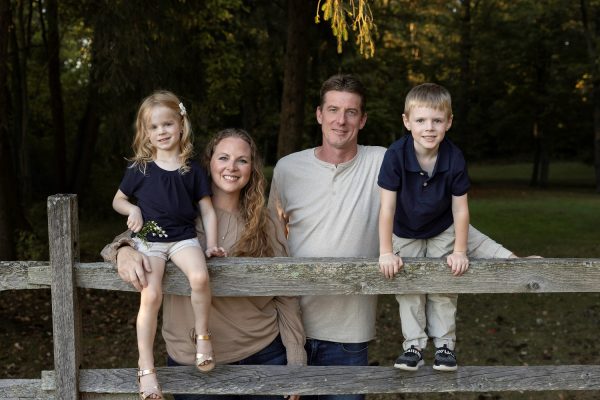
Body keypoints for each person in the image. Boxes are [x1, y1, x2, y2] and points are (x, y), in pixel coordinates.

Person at [268, 74, 515, 400]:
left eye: (351, 112)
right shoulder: (287, 168)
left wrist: (507, 257)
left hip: (349, 334)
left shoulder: (386, 161)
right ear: (319, 114)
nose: (341, 121)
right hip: (288, 328)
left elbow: (441, 221)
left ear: (363, 119)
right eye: (333, 110)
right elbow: (270, 239)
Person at [102, 128, 306, 400]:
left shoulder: (265, 222)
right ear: (208, 163)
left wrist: (296, 357)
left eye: (242, 160)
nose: (232, 167)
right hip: (191, 362)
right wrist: (123, 250)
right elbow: (122, 241)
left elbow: (287, 292)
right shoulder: (179, 211)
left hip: (263, 353)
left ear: (252, 168)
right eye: (223, 158)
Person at [112, 91, 227, 399]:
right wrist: (133, 209)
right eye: (154, 127)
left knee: (200, 277)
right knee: (151, 295)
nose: (161, 131)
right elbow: (118, 200)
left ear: (181, 124)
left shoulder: (192, 169)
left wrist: (211, 244)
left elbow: (207, 211)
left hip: (183, 239)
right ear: (145, 132)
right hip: (149, 241)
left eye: (167, 124)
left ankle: (202, 337)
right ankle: (146, 365)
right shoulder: (140, 168)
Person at [378, 83, 469, 372]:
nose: (429, 128)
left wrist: (460, 251)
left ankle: (444, 346)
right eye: (420, 120)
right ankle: (414, 346)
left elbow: (460, 209)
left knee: (444, 284)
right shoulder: (395, 155)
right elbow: (387, 208)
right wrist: (386, 252)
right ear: (407, 122)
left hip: (442, 227)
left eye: (437, 120)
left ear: (449, 122)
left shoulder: (454, 157)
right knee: (409, 285)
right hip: (405, 229)